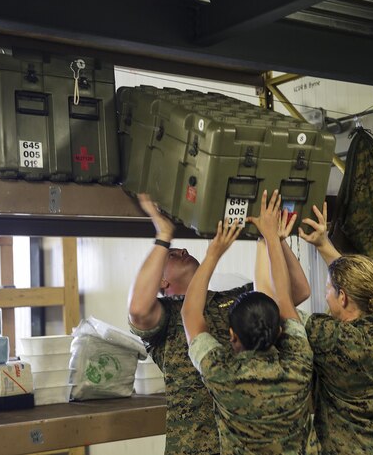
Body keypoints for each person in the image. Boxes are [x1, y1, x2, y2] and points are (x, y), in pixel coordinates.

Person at [128, 193, 311, 455]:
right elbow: (137, 308)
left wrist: (277, 241)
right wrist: (163, 235)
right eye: (171, 255)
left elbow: (298, 291)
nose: (183, 250)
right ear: (161, 283)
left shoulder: (237, 300)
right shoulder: (165, 316)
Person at [182, 189, 318, 455]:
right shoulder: (299, 366)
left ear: (232, 335)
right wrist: (271, 238)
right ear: (279, 331)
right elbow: (286, 299)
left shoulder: (222, 373)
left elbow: (188, 314)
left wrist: (213, 254)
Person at [298, 202, 373, 455]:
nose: (325, 293)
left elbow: (284, 307)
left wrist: (270, 240)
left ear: (343, 298)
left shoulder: (332, 337)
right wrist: (323, 244)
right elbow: (359, 285)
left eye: (329, 288)